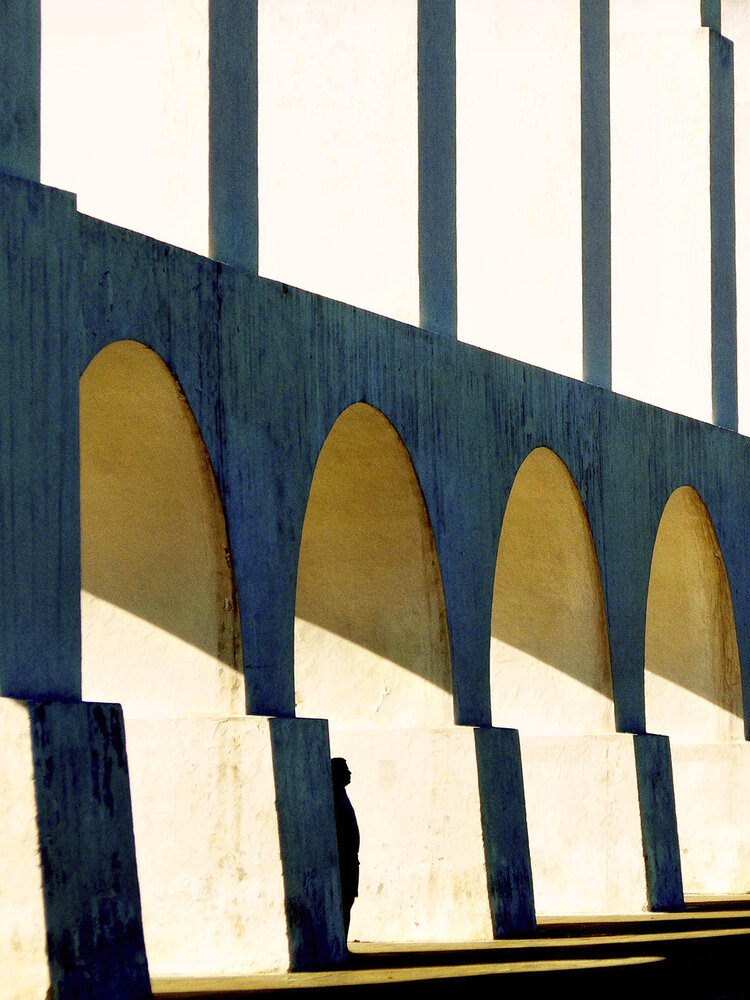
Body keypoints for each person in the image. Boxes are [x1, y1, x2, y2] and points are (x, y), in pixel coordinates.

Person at [331, 757, 360, 939]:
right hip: (344, 860)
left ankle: (343, 942)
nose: (349, 773)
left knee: (348, 901)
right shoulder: (334, 797)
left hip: (350, 859)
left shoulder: (341, 795)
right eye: (345, 770)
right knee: (344, 901)